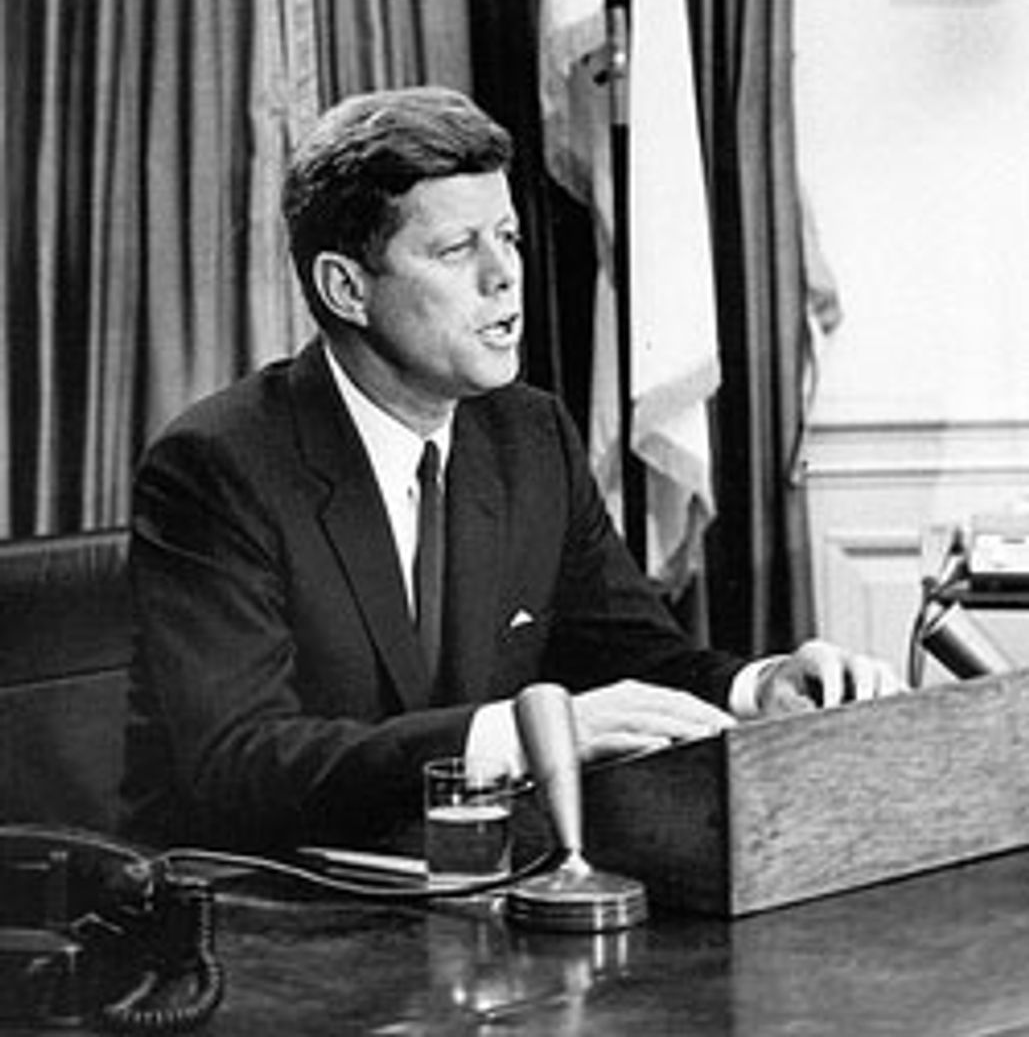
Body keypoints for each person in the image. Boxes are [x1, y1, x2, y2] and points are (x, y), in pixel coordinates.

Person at [121, 85, 899, 854]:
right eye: (456, 250)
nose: (503, 276)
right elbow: (240, 761)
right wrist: (525, 736)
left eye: (508, 238)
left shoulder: (529, 435)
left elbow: (632, 657)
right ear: (346, 288)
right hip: (274, 903)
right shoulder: (218, 465)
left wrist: (758, 688)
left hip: (477, 879)